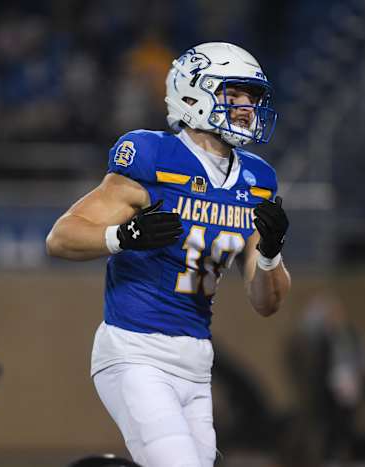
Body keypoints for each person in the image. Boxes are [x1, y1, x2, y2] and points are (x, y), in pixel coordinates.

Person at [46, 42, 291, 467]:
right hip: (135, 350)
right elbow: (61, 238)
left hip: (197, 363)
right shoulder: (153, 155)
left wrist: (269, 254)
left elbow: (266, 302)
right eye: (235, 95)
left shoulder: (257, 180)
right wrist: (122, 237)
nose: (247, 107)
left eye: (252, 98)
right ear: (195, 92)